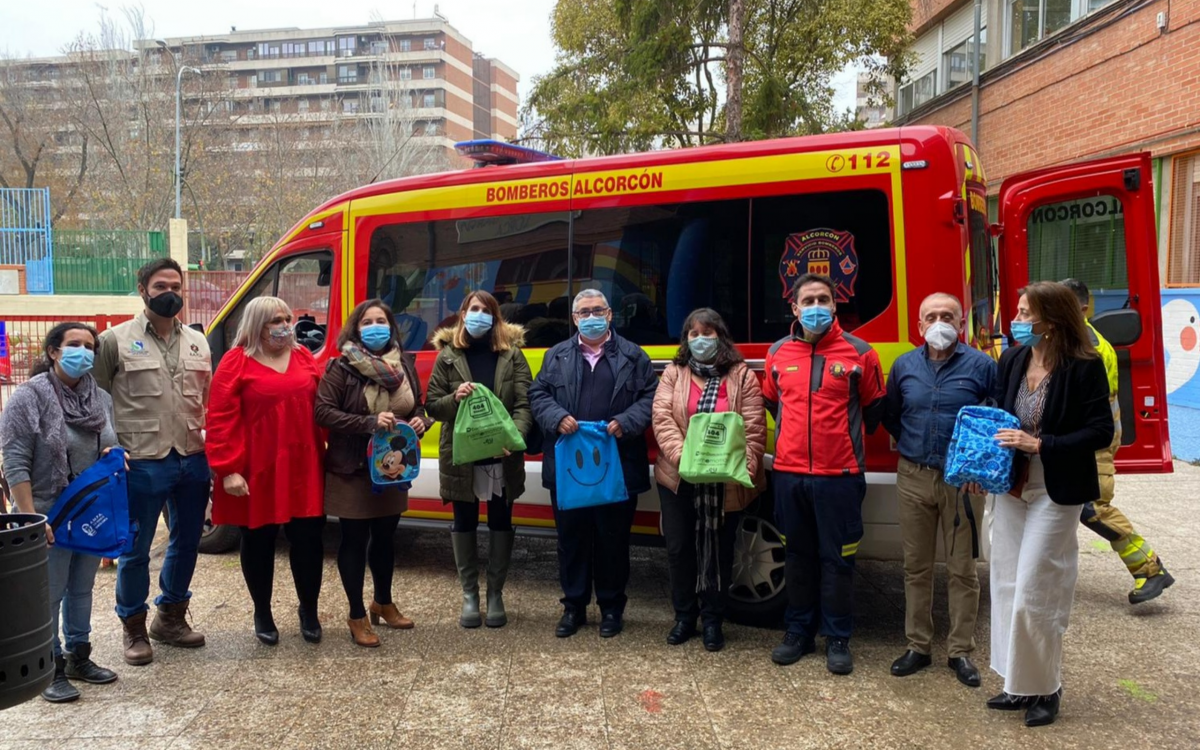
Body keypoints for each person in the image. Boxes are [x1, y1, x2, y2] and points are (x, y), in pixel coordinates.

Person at [984, 281, 1113, 727]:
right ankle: (1017, 683)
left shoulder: (1083, 366)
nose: (1016, 320)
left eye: (1025, 313)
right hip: (1011, 485)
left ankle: (1047, 687)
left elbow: (1101, 430)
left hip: (1055, 487)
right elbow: (999, 410)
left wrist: (1041, 444)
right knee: (1005, 585)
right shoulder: (1014, 358)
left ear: (1052, 321)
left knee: (1036, 590)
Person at [763, 273, 884, 674]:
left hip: (840, 476)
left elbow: (872, 410)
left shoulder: (860, 353)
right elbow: (772, 402)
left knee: (839, 560)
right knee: (796, 557)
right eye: (808, 300)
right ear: (794, 308)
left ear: (835, 305)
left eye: (823, 299)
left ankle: (837, 637)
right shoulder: (777, 352)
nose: (816, 306)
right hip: (788, 474)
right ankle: (798, 632)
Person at [93, 258, 212, 666]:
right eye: (161, 286)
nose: (170, 293)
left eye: (176, 286)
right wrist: (109, 450)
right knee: (136, 549)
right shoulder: (114, 341)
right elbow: (96, 401)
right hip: (141, 460)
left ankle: (171, 618)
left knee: (187, 542)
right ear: (142, 289)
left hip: (192, 456)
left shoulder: (198, 341)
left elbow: (205, 399)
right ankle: (134, 628)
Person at [0, 323, 121, 703]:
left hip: (88, 514)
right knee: (49, 593)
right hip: (48, 514)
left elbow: (112, 441)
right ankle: (49, 667)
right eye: (74, 344)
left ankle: (79, 655)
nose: (83, 352)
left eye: (89, 346)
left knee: (82, 588)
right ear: (53, 351)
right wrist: (30, 519)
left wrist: (114, 455)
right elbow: (15, 461)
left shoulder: (100, 398)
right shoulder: (29, 397)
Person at [528, 288, 657, 638]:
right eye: (584, 312)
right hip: (569, 468)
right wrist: (557, 417)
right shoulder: (556, 355)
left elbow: (651, 397)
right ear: (574, 319)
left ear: (610, 314)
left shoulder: (634, 356)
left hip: (617, 465)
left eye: (597, 310)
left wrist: (626, 422)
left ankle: (612, 609)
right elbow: (537, 394)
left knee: (613, 541)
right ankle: (574, 607)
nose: (591, 317)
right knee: (572, 540)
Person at [882, 294, 996, 687]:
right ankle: (918, 645)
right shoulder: (904, 366)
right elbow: (892, 414)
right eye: (930, 316)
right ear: (919, 325)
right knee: (916, 567)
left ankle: (960, 651)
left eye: (947, 316)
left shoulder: (982, 366)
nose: (939, 323)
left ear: (961, 323)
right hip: (913, 476)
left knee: (963, 569)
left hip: (962, 482)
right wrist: (911, 444)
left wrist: (978, 468)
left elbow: (996, 420)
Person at [206, 297, 327, 646]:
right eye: (276, 320)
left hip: (304, 465)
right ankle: (263, 611)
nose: (285, 325)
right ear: (257, 324)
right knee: (258, 541)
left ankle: (309, 610)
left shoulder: (303, 356)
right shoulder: (236, 362)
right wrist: (228, 470)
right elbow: (220, 419)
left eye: (287, 318)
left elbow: (323, 407)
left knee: (308, 540)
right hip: (256, 468)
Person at [316, 299, 431, 647]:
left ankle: (383, 602)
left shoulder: (404, 362)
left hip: (392, 469)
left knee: (385, 538)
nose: (375, 327)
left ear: (391, 327)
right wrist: (368, 422)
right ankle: (356, 615)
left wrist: (420, 421)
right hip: (352, 469)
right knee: (354, 540)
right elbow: (323, 412)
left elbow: (418, 405)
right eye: (367, 322)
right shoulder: (341, 367)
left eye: (381, 320)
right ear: (356, 329)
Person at [651, 308, 766, 652]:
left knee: (719, 550)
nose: (701, 340)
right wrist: (686, 460)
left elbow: (754, 426)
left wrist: (744, 467)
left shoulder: (742, 375)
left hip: (724, 479)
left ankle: (713, 619)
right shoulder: (674, 373)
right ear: (686, 340)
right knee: (679, 549)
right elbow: (662, 418)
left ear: (721, 336)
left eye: (708, 333)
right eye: (694, 334)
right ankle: (684, 617)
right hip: (679, 476)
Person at [1060, 278, 1174, 603]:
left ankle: (1151, 569)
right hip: (1086, 440)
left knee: (1093, 508)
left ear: (1082, 308)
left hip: (1094, 443)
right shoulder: (1074, 340)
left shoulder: (1089, 347)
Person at [425, 291, 531, 630]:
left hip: (501, 455)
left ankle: (495, 594)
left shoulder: (512, 355)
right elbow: (433, 405)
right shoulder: (448, 356)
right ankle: (470, 595)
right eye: (474, 309)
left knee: (500, 520)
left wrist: (513, 439)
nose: (479, 315)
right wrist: (455, 398)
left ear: (496, 317)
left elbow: (524, 404)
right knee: (464, 521)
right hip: (462, 457)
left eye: (486, 310)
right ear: (463, 313)